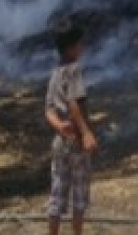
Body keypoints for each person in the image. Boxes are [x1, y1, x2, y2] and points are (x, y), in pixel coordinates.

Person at [45, 25, 98, 235]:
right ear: (71, 47)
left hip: (60, 140)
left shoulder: (55, 73)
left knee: (57, 195)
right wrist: (86, 133)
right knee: (79, 196)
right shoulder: (75, 69)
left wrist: (59, 126)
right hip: (76, 141)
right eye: (80, 43)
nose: (82, 47)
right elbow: (74, 102)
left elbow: (48, 110)